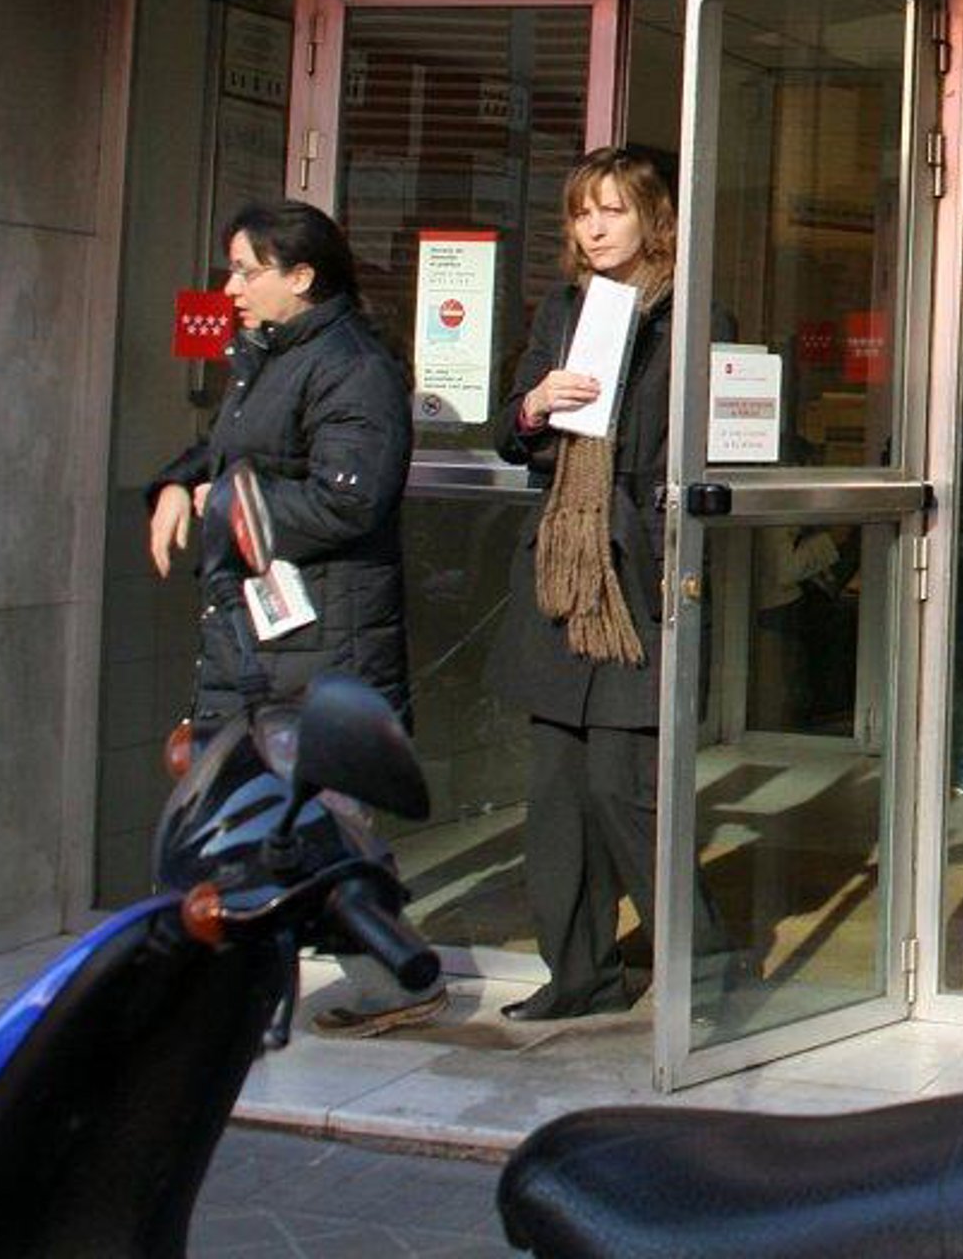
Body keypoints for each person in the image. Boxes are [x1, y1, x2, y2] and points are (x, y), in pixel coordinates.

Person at [146, 199, 442, 1036]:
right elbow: (232, 452)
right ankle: (222, 989)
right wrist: (177, 481)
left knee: (322, 820)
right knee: (241, 812)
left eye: (248, 271)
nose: (231, 287)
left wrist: (222, 506)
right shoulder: (270, 354)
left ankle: (398, 979)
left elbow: (349, 500)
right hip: (256, 635)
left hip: (322, 637)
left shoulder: (353, 366)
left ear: (301, 277)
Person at [488, 147, 680, 1022]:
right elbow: (510, 432)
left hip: (637, 575)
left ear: (653, 218)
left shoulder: (686, 311)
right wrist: (536, 405)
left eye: (613, 210)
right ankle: (579, 976)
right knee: (557, 796)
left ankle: (705, 968)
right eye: (581, 212)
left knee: (620, 788)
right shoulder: (563, 308)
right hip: (564, 572)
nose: (594, 228)